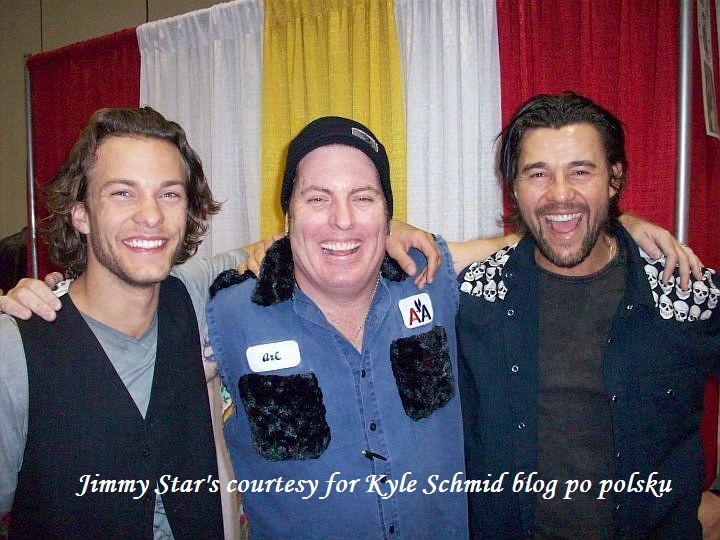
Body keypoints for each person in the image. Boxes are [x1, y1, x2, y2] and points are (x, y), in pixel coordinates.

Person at [456, 92, 720, 538]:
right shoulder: (476, 295)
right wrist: (391, 229)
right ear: (514, 187)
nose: (560, 194)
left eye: (580, 171)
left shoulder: (682, 291)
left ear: (614, 179)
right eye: (538, 173)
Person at [0, 107, 230, 538]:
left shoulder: (194, 294)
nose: (151, 215)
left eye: (169, 194)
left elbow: (295, 247)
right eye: (123, 193)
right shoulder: (16, 347)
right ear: (81, 214)